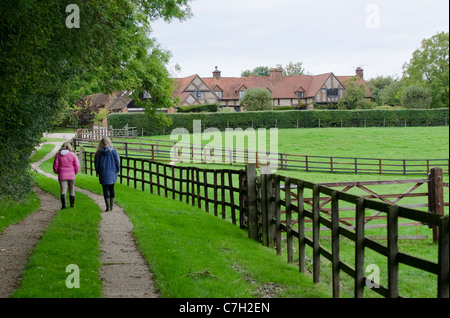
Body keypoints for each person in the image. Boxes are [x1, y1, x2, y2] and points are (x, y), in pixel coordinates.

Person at [94, 136, 120, 211]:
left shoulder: (98, 153)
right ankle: (111, 206)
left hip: (103, 173)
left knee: (105, 190)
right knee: (112, 189)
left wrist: (98, 172)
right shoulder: (114, 151)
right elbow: (117, 162)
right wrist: (117, 170)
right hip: (112, 172)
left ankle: (107, 207)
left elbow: (96, 164)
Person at [53, 142, 80, 209]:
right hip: (71, 175)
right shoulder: (73, 155)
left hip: (62, 175)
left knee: (63, 190)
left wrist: (57, 172)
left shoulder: (58, 155)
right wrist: (75, 172)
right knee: (71, 190)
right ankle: (72, 205)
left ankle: (64, 205)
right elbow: (77, 165)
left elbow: (55, 165)